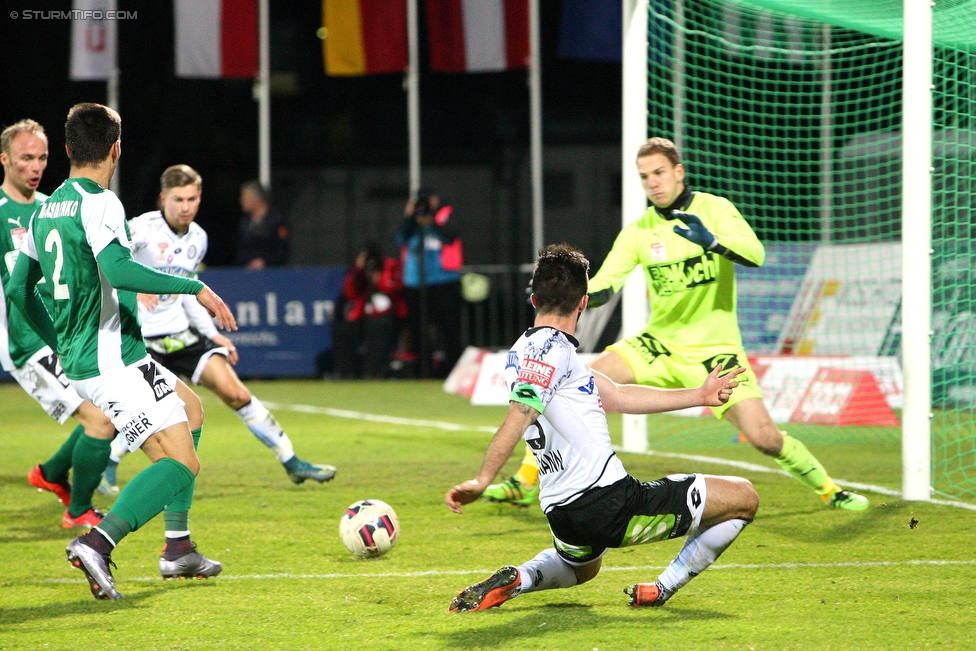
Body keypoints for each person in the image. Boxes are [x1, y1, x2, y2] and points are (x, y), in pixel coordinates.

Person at [445, 244, 758, 611]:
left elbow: (619, 395)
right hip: (608, 502)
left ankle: (521, 578)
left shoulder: (525, 352)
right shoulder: (554, 351)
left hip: (561, 510)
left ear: (533, 301)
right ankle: (662, 588)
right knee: (744, 498)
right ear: (583, 302)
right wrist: (483, 480)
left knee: (581, 567)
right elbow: (520, 413)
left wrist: (700, 396)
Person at [6, 103, 237, 600]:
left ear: (67, 150)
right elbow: (120, 270)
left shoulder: (45, 208)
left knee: (191, 408)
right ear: (115, 148)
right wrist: (192, 286)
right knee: (182, 464)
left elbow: (19, 291)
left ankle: (178, 549)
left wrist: (57, 341)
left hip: (99, 356)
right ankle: (98, 541)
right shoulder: (101, 201)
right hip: (113, 359)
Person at [583, 137, 866, 510]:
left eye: (659, 173)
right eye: (644, 176)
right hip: (660, 344)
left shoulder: (714, 209)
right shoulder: (639, 231)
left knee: (765, 438)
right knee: (575, 383)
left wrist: (712, 241)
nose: (653, 182)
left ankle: (831, 490)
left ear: (678, 173)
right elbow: (604, 285)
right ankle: (524, 482)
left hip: (716, 351)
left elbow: (756, 254)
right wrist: (569, 291)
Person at [98, 164, 336, 492]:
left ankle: (291, 461)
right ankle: (108, 466)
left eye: (192, 199)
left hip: (182, 335)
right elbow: (102, 265)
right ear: (162, 199)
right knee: (151, 412)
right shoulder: (139, 230)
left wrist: (211, 334)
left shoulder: (198, 238)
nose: (186, 207)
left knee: (236, 392)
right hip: (142, 341)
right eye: (178, 199)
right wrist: (133, 290)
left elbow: (187, 289)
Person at [1, 118, 117, 529]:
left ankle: (50, 474)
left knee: (107, 411)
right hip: (28, 344)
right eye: (26, 158)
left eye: (43, 157)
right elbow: (17, 290)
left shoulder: (52, 207)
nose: (35, 166)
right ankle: (79, 510)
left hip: (65, 336)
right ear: (5, 160)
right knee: (102, 418)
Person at [394, 188, 462, 378]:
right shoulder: (412, 220)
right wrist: (409, 219)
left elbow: (451, 235)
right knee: (418, 330)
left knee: (449, 330)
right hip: (416, 282)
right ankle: (425, 371)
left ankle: (452, 371)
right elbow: (400, 239)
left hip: (444, 281)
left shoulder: (446, 214)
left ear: (435, 199)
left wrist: (431, 223)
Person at [333, 247, 407, 379]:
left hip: (390, 318)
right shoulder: (360, 272)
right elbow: (350, 293)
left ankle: (372, 373)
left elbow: (397, 290)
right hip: (364, 317)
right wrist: (357, 270)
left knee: (378, 327)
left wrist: (379, 277)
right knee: (342, 329)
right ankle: (348, 373)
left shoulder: (391, 266)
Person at [236, 180, 289, 269]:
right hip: (247, 274)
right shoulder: (244, 222)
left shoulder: (276, 221)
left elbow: (282, 250)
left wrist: (265, 262)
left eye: (245, 198)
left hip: (272, 273)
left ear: (257, 199)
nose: (242, 201)